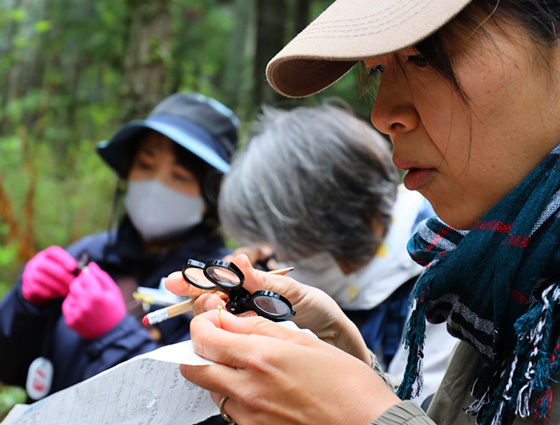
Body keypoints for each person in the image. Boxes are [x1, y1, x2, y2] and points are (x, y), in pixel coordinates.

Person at [164, 1, 560, 424]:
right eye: (377, 71)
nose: (382, 113)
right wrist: (343, 359)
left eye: (421, 58)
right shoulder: (508, 277)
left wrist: (355, 414)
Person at [0, 92, 239, 404]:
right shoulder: (89, 254)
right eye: (145, 165)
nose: (156, 185)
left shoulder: (218, 293)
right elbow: (1, 363)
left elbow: (188, 409)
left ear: (212, 199)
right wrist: (25, 304)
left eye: (180, 176)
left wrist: (112, 335)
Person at [217, 102, 453, 404]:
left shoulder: (445, 268)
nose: (272, 258)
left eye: (288, 245)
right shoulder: (350, 265)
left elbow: (417, 411)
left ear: (346, 220)